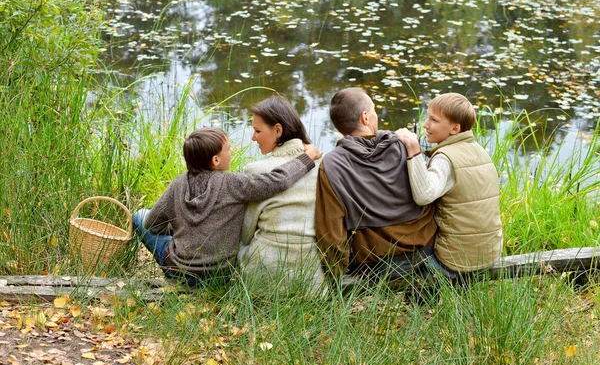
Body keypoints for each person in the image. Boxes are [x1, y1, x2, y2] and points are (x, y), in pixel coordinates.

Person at [133, 127, 322, 286]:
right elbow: (277, 181)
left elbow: (152, 224)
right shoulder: (234, 184)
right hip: (220, 276)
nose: (231, 152)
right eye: (228, 149)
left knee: (140, 216)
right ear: (215, 160)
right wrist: (307, 157)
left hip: (178, 271)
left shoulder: (177, 184)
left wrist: (181, 228)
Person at [315, 87, 437, 283]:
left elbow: (330, 230)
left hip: (376, 262)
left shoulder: (332, 164)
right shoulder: (404, 145)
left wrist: (335, 276)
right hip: (425, 249)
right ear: (365, 118)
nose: (375, 115)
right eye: (373, 110)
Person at [396, 92, 503, 277]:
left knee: (403, 257)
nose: (425, 124)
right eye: (427, 117)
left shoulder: (446, 159)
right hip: (489, 253)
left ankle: (422, 299)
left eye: (434, 120)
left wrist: (413, 149)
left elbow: (423, 196)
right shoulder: (480, 151)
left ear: (454, 129)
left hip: (456, 260)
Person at [237, 96, 327, 295]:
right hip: (312, 281)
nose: (253, 137)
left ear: (278, 130)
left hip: (263, 278)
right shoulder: (324, 166)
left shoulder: (255, 170)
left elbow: (245, 233)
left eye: (258, 131)